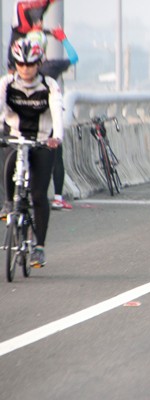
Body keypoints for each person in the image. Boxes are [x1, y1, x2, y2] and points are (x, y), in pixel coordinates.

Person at [0, 37, 63, 267]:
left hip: (43, 142)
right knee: (8, 160)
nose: (25, 69)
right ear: (15, 64)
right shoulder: (6, 83)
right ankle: (8, 203)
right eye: (21, 64)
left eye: (30, 64)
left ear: (39, 63)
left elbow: (57, 111)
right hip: (15, 137)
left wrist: (58, 137)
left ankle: (39, 247)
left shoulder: (49, 85)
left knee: (38, 195)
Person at [26, 30, 79, 210]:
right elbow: (74, 57)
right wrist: (62, 37)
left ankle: (21, 197)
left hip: (26, 118)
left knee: (24, 155)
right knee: (56, 159)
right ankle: (57, 198)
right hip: (48, 118)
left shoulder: (18, 68)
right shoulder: (51, 66)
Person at [7, 0, 60, 72]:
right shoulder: (39, 5)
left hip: (20, 31)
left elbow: (36, 27)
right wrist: (52, 32)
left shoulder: (42, 4)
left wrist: (52, 32)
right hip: (21, 33)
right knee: (14, 65)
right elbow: (36, 27)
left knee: (13, 65)